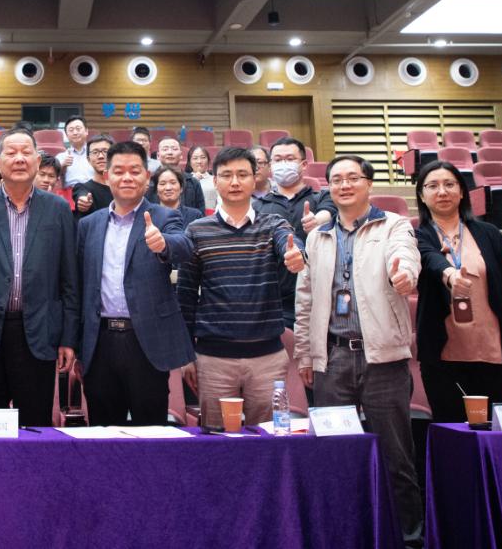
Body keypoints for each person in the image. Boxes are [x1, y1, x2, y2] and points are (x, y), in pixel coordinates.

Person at [293, 155, 422, 546]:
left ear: (368, 183)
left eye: (353, 178)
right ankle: (341, 535)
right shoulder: (317, 236)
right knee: (334, 456)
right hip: (332, 358)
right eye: (336, 180)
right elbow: (305, 298)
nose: (344, 185)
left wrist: (405, 275)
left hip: (382, 358)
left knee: (397, 458)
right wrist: (305, 353)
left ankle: (409, 538)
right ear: (329, 187)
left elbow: (407, 256)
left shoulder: (393, 224)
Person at [0, 129, 80, 426]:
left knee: (36, 428)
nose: (19, 159)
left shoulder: (58, 209)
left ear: (37, 161)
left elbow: (69, 279)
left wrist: (68, 337)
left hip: (39, 333)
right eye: (11, 153)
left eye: (26, 152)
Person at [76, 141, 193, 425]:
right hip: (100, 342)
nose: (127, 177)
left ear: (147, 177)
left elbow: (183, 246)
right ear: (107, 176)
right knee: (103, 431)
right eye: (119, 171)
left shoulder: (164, 216)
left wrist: (163, 244)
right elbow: (79, 286)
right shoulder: (88, 224)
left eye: (135, 171)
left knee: (150, 431)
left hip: (146, 343)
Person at [177, 148, 295, 427]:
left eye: (242, 175)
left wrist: (295, 253)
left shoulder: (274, 224)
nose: (234, 182)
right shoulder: (197, 230)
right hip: (213, 359)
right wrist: (186, 355)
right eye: (226, 175)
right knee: (217, 439)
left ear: (255, 179)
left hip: (267, 358)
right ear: (214, 181)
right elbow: (185, 297)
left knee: (268, 438)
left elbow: (289, 243)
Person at [413, 160, 502, 422]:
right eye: (433, 186)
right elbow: (428, 257)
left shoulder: (489, 234)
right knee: (452, 432)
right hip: (444, 356)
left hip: (492, 353)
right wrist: (450, 273)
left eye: (449, 184)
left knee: (490, 431)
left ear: (462, 191)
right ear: (422, 195)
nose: (442, 191)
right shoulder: (415, 236)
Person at [255, 136, 335, 327]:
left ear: (304, 164)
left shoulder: (322, 196)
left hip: (320, 296)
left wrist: (317, 220)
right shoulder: (258, 206)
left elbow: (328, 212)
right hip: (276, 301)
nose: (283, 164)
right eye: (278, 159)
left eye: (290, 159)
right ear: (270, 165)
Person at [155, 138, 205, 212]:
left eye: (174, 149)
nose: (170, 152)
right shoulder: (150, 183)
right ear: (158, 156)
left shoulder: (193, 182)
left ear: (181, 155)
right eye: (165, 149)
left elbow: (201, 214)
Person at [71, 135, 114, 217]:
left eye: (105, 151)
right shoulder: (83, 188)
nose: (101, 156)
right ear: (88, 160)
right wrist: (83, 201)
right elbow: (81, 195)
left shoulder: (124, 186)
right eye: (95, 152)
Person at [57, 115, 93, 186]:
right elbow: (52, 176)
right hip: (71, 190)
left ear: (86, 131)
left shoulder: (96, 154)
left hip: (94, 190)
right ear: (66, 135)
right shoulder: (61, 157)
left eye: (78, 129)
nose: (75, 133)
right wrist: (62, 166)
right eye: (71, 130)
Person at [187, 144, 218, 212]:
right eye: (195, 158)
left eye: (203, 157)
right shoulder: (185, 180)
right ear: (189, 162)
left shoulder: (215, 179)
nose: (199, 161)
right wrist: (193, 180)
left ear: (208, 160)